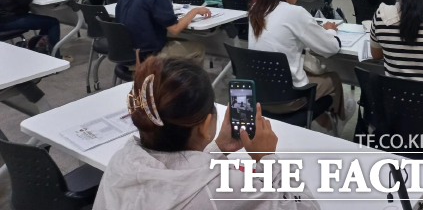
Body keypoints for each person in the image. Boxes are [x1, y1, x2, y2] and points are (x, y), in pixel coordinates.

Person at [93, 56, 319, 210]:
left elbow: (179, 171)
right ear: (204, 126)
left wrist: (217, 149)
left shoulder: (121, 160)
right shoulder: (226, 188)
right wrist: (267, 158)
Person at [248, 0, 356, 133]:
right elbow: (331, 47)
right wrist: (330, 30)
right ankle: (338, 123)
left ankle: (325, 121)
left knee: (310, 75)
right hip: (289, 99)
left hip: (260, 95)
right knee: (332, 79)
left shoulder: (255, 11)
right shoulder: (295, 12)